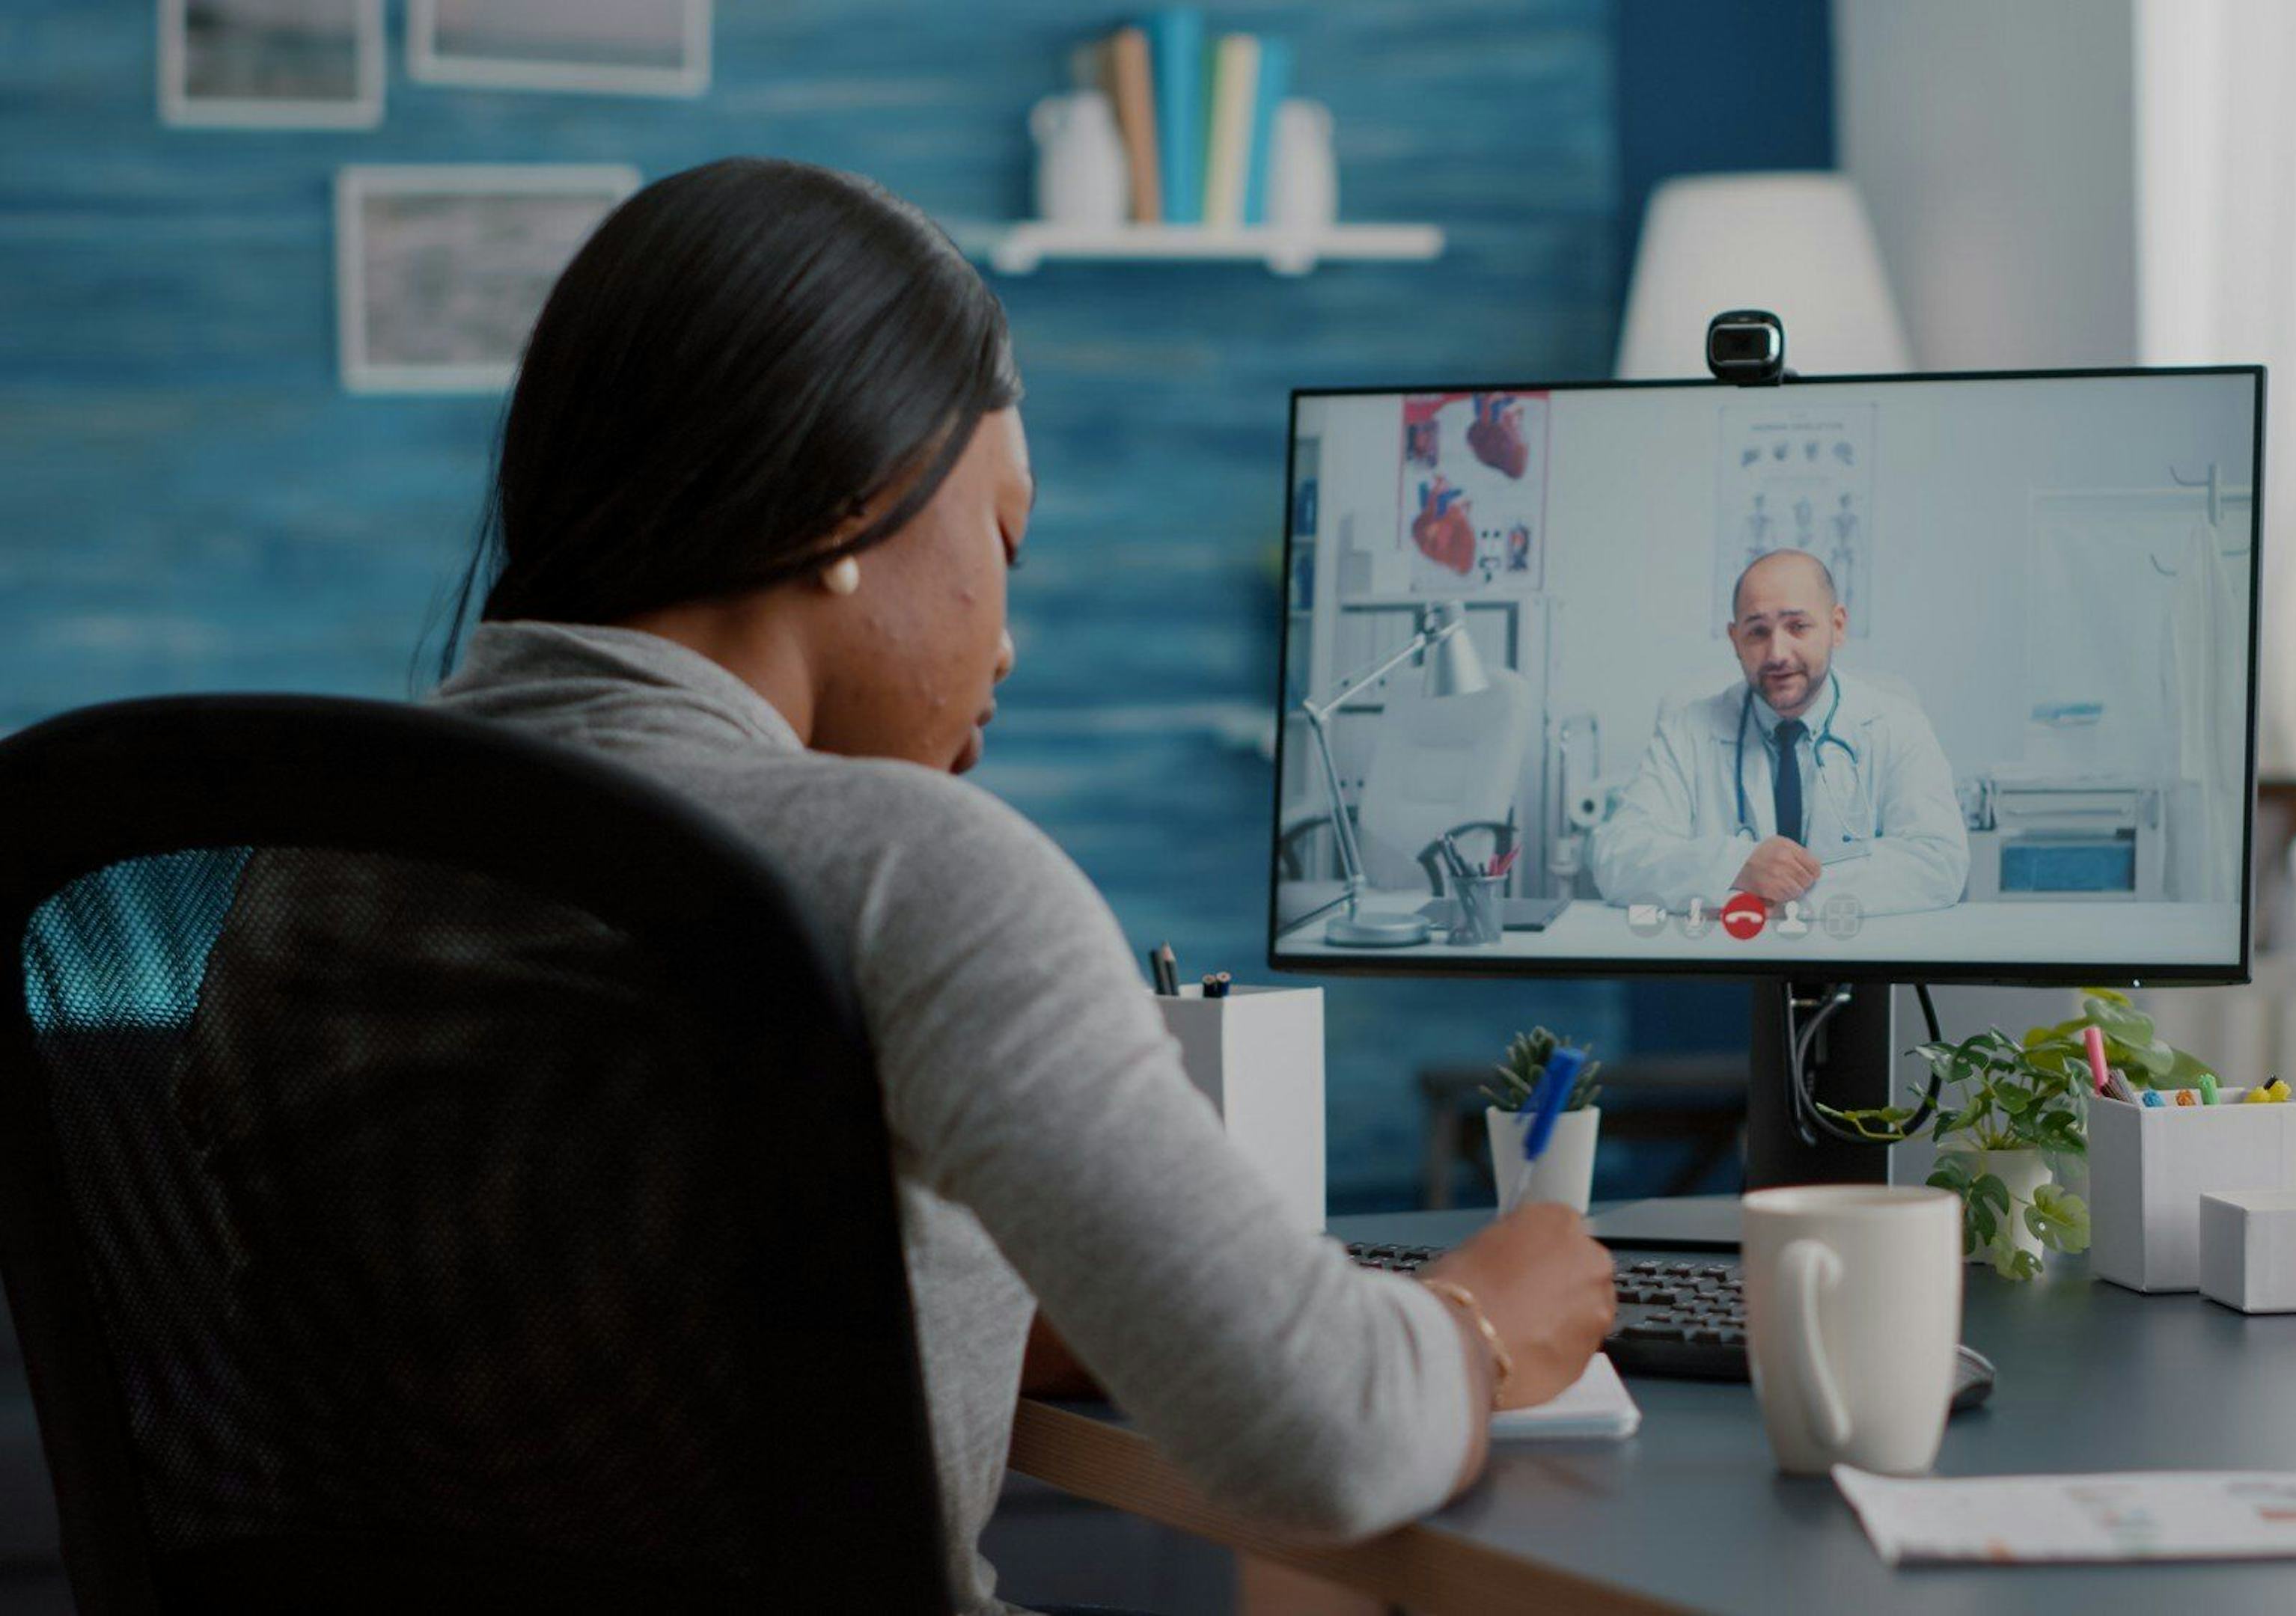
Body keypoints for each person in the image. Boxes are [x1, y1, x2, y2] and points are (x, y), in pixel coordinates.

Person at [405, 159, 1613, 1612]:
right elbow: (1330, 1441)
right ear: (842, 504)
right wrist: (1491, 1316)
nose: (1009, 642)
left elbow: (609, 1325)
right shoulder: (911, 868)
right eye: (1005, 542)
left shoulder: (306, 869)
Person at [1590, 549, 1968, 917]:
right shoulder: (1687, 730)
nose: (1777, 653)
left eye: (1797, 626)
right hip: (1728, 964)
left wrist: (1788, 896)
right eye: (1757, 632)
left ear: (1837, 627)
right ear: (1735, 640)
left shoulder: (1897, 723)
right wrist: (1737, 867)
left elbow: (1939, 862)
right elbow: (1618, 857)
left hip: (1856, 961)